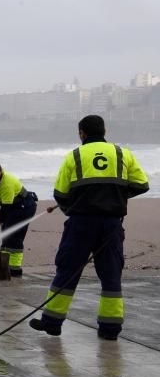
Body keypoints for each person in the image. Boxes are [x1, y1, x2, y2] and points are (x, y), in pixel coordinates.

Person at [29, 115, 149, 341]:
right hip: (112, 226)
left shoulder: (74, 156)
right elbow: (142, 185)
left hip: (81, 224)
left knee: (67, 270)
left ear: (81, 133)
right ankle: (110, 330)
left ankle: (52, 322)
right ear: (105, 131)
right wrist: (117, 198)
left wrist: (73, 206)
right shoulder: (122, 154)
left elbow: (60, 194)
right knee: (111, 276)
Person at [0, 160, 38, 277]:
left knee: (15, 236)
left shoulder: (7, 183)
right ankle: (4, 265)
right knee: (6, 234)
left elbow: (6, 208)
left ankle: (15, 270)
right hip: (13, 207)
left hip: (25, 207)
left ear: (0, 172)